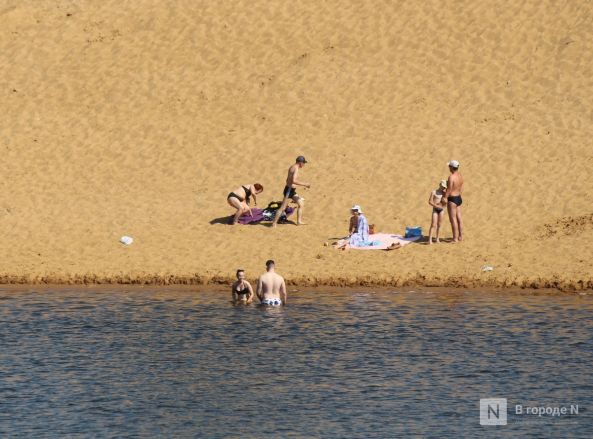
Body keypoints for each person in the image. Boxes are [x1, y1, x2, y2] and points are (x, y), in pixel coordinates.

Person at [271, 156, 311, 227]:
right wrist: (305, 184)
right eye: (303, 163)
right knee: (282, 208)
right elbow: (294, 181)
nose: (304, 165)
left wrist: (293, 186)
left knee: (301, 204)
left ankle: (299, 221)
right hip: (289, 191)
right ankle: (274, 223)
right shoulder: (295, 169)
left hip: (291, 190)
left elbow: (288, 180)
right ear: (300, 162)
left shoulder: (292, 167)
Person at [443, 160, 464, 242]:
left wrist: (445, 197)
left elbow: (449, 189)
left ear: (452, 167)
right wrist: (459, 194)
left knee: (453, 219)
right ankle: (461, 236)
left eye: (449, 166)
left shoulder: (451, 177)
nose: (449, 168)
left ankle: (455, 238)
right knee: (459, 218)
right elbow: (462, 186)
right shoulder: (460, 175)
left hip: (452, 199)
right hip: (458, 198)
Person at [427, 179, 447, 244]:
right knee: (433, 224)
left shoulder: (444, 193)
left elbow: (446, 202)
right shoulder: (434, 192)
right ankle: (430, 240)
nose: (443, 188)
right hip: (435, 210)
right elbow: (430, 201)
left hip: (441, 210)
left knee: (439, 225)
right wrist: (435, 205)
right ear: (440, 185)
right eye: (442, 186)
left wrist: (443, 205)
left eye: (444, 187)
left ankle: (437, 239)